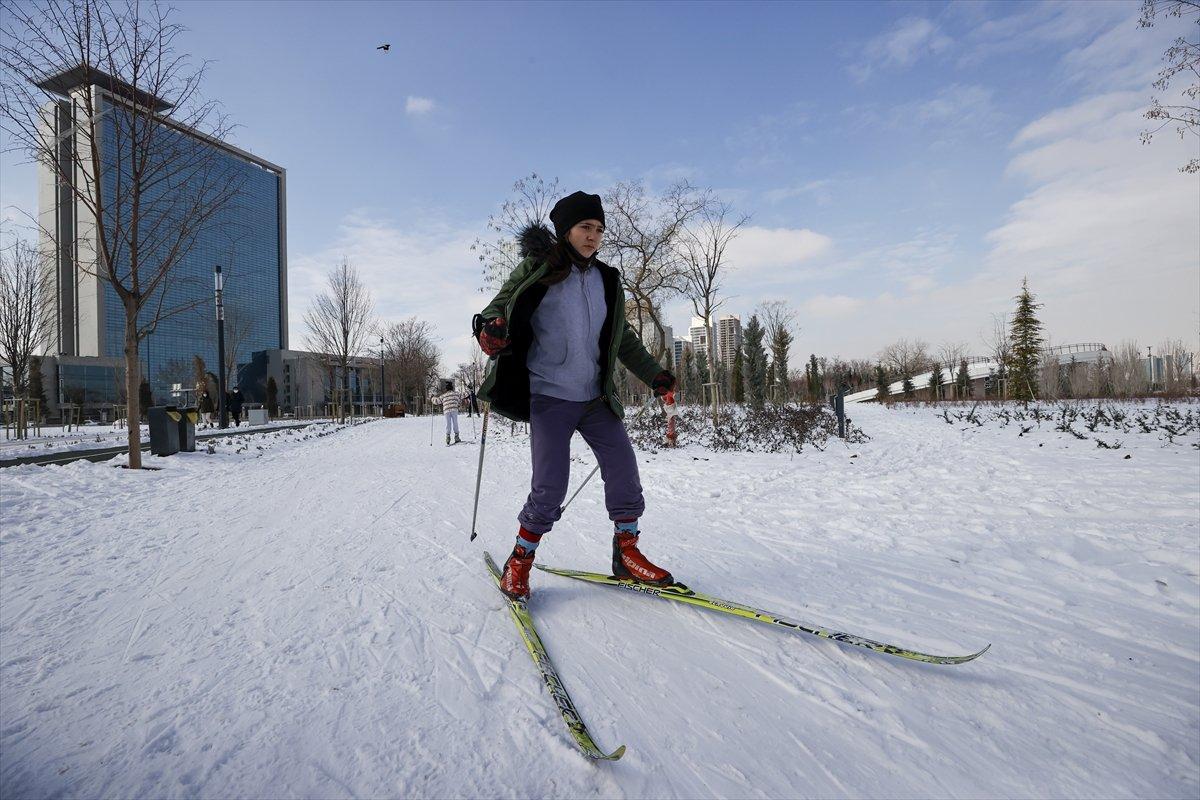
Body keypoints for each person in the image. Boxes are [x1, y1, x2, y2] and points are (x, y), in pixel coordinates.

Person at [474, 190, 676, 600]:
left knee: (624, 470)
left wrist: (654, 374)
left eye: (599, 229)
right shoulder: (537, 269)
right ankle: (520, 560)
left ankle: (627, 553)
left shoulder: (607, 280)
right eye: (585, 227)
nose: (593, 236)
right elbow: (498, 307)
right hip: (549, 395)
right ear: (566, 229)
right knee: (550, 486)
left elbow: (622, 338)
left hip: (595, 398)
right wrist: (490, 329)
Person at [432, 379, 462, 445]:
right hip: (454, 409)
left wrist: (432, 398)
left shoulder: (444, 395)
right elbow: (463, 395)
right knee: (455, 423)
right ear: (452, 388)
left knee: (448, 424)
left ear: (446, 389)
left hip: (446, 411)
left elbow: (437, 401)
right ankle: (456, 436)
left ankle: (448, 437)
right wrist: (470, 391)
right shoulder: (456, 394)